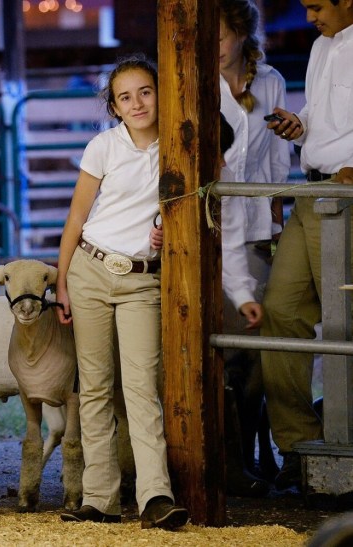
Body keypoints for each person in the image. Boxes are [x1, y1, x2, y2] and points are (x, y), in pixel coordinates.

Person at [54, 54, 188, 530]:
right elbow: (76, 219)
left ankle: (155, 495)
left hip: (140, 281)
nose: (137, 103)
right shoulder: (103, 148)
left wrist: (165, 229)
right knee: (94, 386)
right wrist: (62, 282)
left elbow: (183, 207)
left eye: (145, 92)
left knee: (141, 387)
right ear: (113, 106)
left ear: (160, 92)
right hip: (90, 269)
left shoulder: (177, 145)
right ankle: (100, 497)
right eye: (125, 97)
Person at [260, 0, 353, 491]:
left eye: (318, 5)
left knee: (343, 323)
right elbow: (321, 118)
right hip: (311, 187)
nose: (310, 15)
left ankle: (344, 446)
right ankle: (299, 445)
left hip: (345, 195)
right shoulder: (321, 46)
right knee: (280, 310)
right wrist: (299, 125)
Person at [151, 114, 269, 497]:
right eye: (212, 154)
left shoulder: (221, 177)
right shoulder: (154, 169)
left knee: (237, 357)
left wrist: (245, 296)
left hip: (200, 282)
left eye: (222, 153)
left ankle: (233, 463)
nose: (220, 163)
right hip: (153, 281)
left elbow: (231, 242)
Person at [218, 0, 291, 490]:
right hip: (210, 233)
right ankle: (226, 462)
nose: (213, 45)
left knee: (257, 355)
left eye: (220, 34)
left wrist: (275, 216)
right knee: (221, 349)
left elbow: (277, 160)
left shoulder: (271, 81)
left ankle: (251, 456)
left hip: (258, 233)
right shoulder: (191, 81)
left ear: (242, 32)